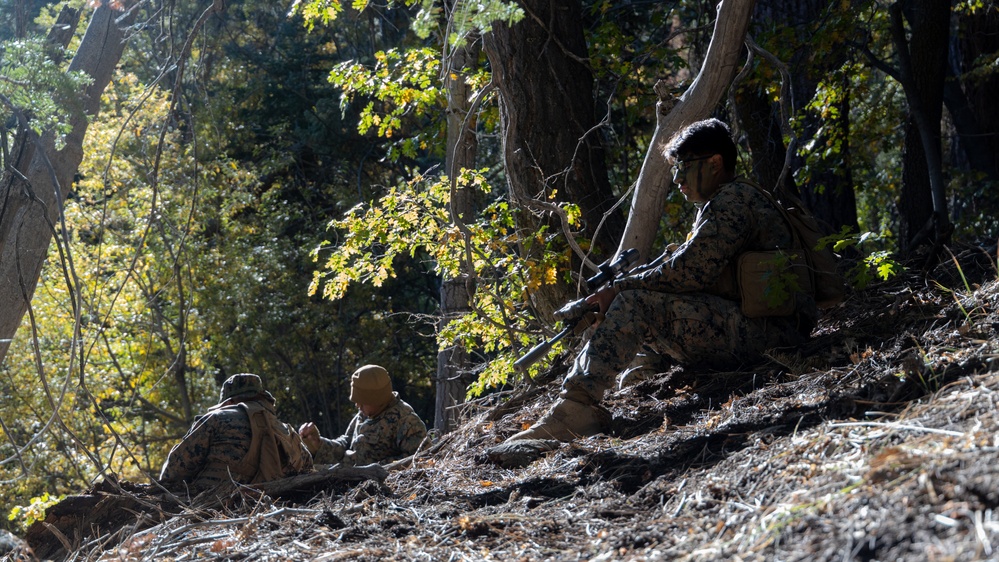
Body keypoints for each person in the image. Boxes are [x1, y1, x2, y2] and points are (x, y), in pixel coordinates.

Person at [508, 118, 818, 442]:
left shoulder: (732, 201)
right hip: (767, 328)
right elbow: (686, 273)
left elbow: (690, 271)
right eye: (675, 169)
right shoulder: (728, 200)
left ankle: (574, 411)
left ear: (715, 163)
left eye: (685, 166)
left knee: (633, 304)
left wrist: (618, 290)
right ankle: (627, 381)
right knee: (637, 302)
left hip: (773, 335)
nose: (678, 178)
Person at [159, 373, 313, 492]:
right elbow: (308, 472)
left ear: (229, 402)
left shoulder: (217, 418)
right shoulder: (288, 432)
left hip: (214, 508)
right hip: (272, 511)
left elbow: (174, 471)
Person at [299, 364, 428, 466]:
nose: (357, 406)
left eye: (363, 401)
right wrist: (319, 444)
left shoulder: (406, 421)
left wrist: (372, 467)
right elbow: (346, 442)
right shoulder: (365, 413)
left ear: (377, 399)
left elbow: (421, 458)